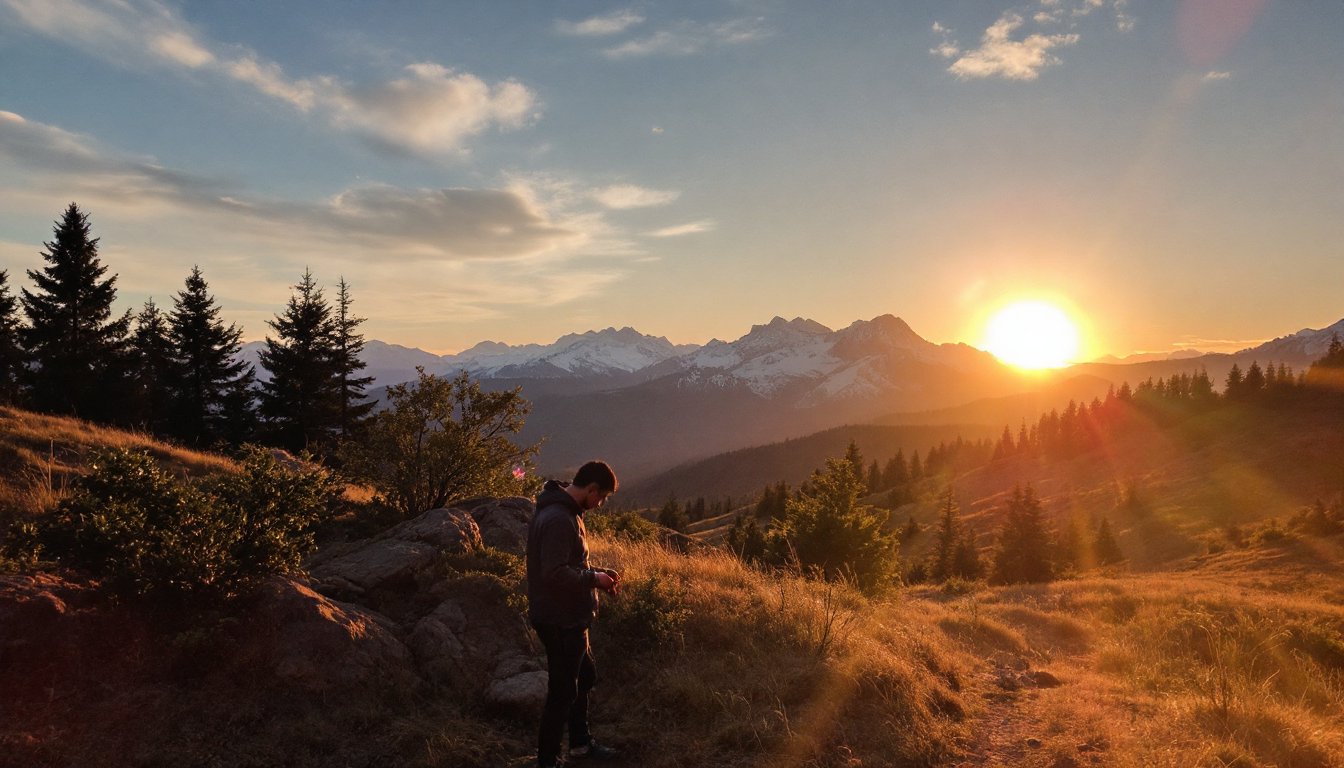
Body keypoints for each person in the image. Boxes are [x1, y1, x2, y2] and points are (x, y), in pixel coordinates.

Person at [526, 460, 622, 767]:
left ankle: (580, 744)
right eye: (601, 497)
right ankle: (548, 760)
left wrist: (598, 572)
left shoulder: (563, 511)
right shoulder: (558, 518)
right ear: (591, 489)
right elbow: (553, 573)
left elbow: (569, 564)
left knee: (585, 676)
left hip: (568, 617)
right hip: (561, 620)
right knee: (563, 693)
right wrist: (595, 579)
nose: (600, 503)